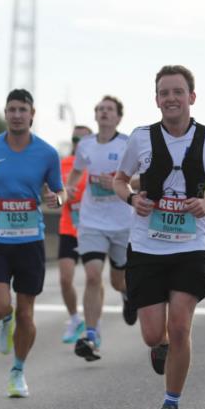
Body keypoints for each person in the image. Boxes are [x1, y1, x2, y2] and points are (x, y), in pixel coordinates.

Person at [114, 65, 205, 409]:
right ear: (156, 99)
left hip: (190, 246)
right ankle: (161, 345)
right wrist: (132, 199)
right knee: (154, 334)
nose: (171, 98)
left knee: (181, 324)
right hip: (146, 247)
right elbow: (119, 181)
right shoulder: (140, 138)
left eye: (178, 92)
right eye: (164, 92)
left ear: (192, 97)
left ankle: (171, 405)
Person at [0, 89, 63, 397]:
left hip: (30, 239)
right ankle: (4, 318)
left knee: (27, 314)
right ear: (5, 114)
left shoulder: (47, 153)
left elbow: (60, 191)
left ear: (32, 114)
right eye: (11, 109)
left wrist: (56, 198)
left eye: (22, 109)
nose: (17, 114)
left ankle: (17, 371)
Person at [66, 96, 136, 362]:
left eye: (109, 110)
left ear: (118, 117)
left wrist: (119, 183)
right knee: (93, 275)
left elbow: (144, 177)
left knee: (119, 280)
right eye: (100, 109)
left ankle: (128, 294)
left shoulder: (128, 144)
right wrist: (69, 188)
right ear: (95, 116)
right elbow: (76, 172)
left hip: (122, 223)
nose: (104, 113)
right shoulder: (85, 145)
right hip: (92, 220)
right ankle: (91, 335)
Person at [58, 124, 92, 343]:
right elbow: (53, 191)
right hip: (69, 227)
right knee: (65, 278)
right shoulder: (63, 164)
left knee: (94, 278)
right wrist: (61, 192)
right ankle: (74, 319)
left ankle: (93, 327)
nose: (78, 144)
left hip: (92, 229)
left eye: (83, 140)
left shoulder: (98, 164)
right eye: (75, 139)